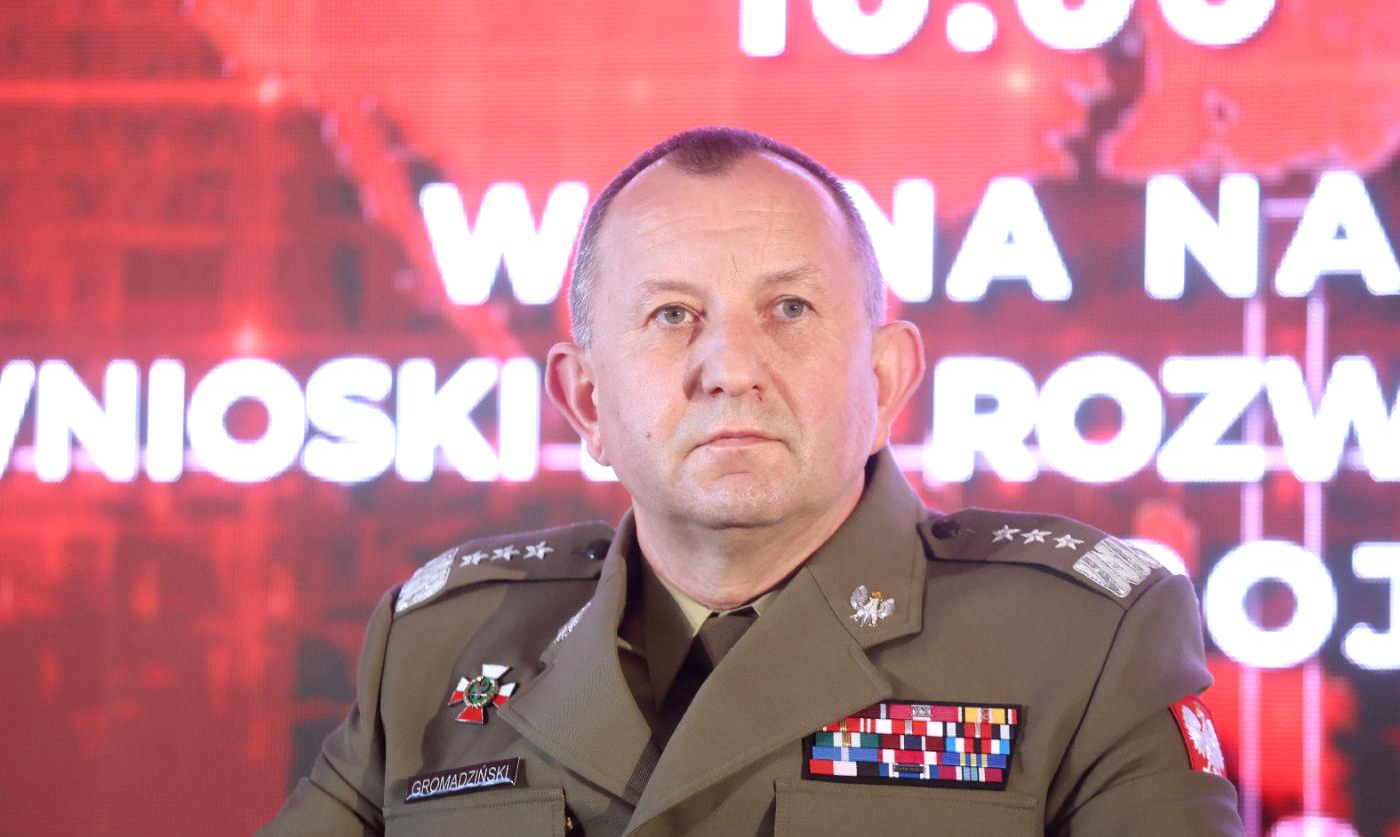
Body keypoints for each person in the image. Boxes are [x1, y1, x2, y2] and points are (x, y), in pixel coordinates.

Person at [259, 127, 1244, 835]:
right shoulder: (437, 649)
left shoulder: (1080, 646)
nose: (729, 367)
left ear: (885, 379)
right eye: (671, 315)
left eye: (788, 308)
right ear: (586, 401)